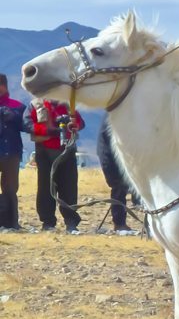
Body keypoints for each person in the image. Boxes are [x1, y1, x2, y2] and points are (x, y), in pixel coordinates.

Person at [23, 99, 85, 233]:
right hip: (44, 152)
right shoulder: (36, 105)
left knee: (69, 188)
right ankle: (48, 222)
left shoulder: (68, 105)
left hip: (67, 151)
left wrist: (73, 125)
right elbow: (27, 124)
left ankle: (71, 222)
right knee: (46, 188)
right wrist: (49, 130)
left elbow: (80, 123)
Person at [96, 114, 139, 232]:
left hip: (119, 157)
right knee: (118, 189)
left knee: (122, 189)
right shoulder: (113, 118)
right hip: (112, 158)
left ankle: (121, 223)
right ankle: (119, 224)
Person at [0, 74, 25, 230]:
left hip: (11, 152)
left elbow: (26, 126)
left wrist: (14, 117)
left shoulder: (18, 106)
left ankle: (12, 223)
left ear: (4, 86)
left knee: (10, 189)